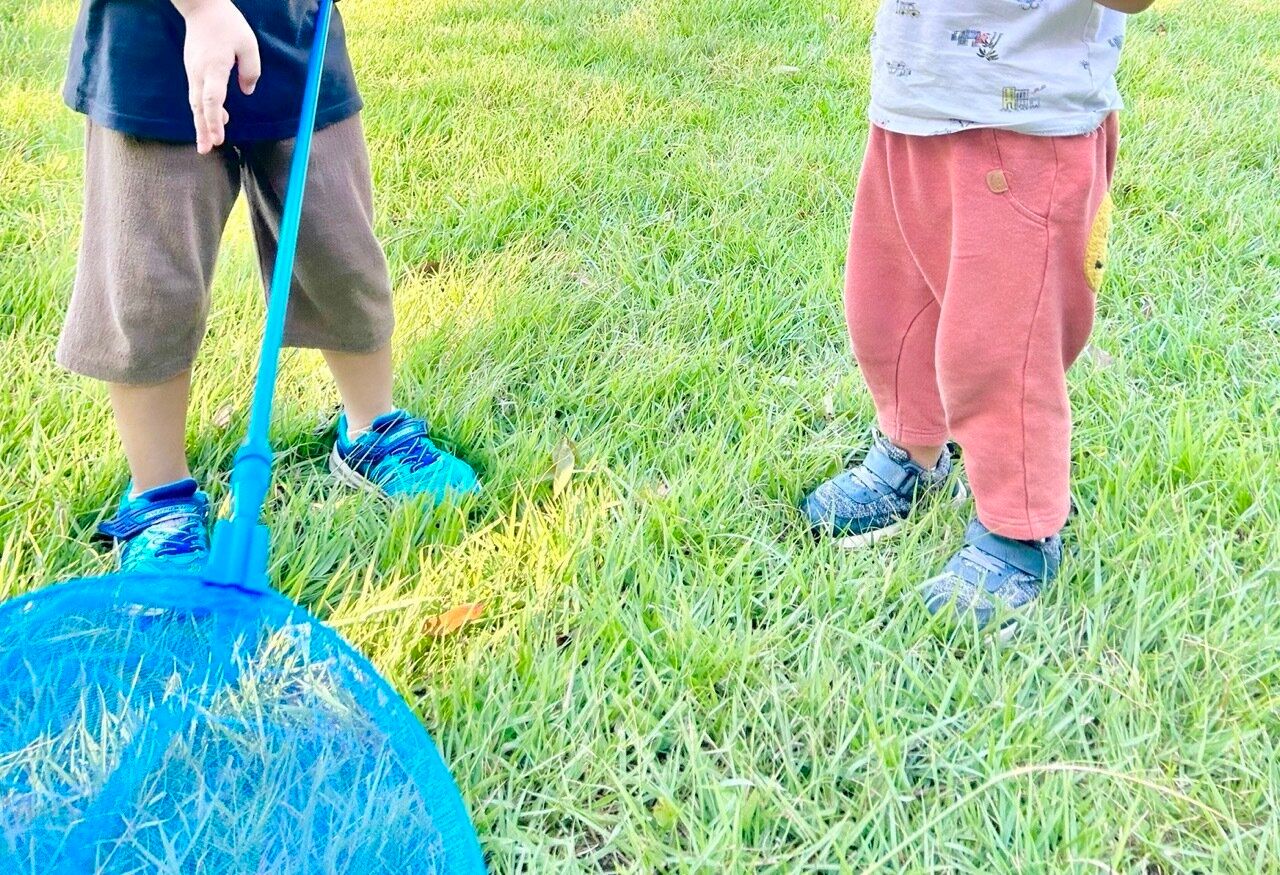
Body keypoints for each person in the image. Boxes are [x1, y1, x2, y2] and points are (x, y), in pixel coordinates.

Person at [60, 0, 479, 573]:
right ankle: (158, 497)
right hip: (154, 40)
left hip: (294, 30)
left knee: (341, 251)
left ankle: (372, 429)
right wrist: (202, 10)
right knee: (149, 283)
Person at [802, 0, 1154, 635]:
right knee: (889, 308)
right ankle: (913, 448)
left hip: (1028, 125)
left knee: (1004, 346)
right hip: (912, 105)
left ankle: (1019, 526)